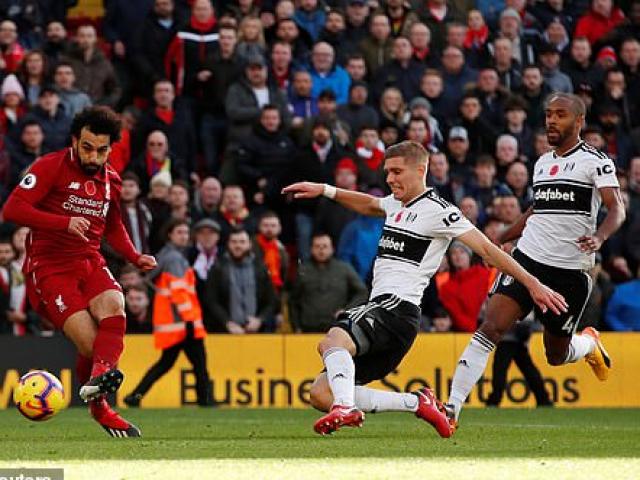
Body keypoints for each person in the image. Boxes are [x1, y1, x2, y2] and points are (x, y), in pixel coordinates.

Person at [282, 140, 566, 436]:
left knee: (332, 341)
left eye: (396, 171)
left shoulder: (440, 211)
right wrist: (325, 190)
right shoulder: (396, 204)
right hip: (391, 319)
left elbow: (486, 248)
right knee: (320, 393)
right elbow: (368, 203)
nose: (390, 179)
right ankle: (416, 403)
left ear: (421, 170)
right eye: (387, 172)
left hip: (395, 308)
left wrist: (532, 283)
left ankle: (345, 407)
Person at [434, 93, 626, 437]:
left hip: (569, 272)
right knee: (491, 326)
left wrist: (600, 237)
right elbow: (535, 212)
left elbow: (617, 208)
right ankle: (451, 408)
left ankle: (588, 345)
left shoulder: (596, 162)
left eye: (561, 115)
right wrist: (500, 238)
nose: (552, 120)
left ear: (578, 122)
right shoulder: (541, 163)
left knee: (555, 354)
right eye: (549, 114)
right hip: (527, 260)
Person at [3, 107, 157, 437]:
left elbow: (112, 224)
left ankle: (96, 387)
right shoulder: (49, 166)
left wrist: (133, 255)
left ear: (110, 148)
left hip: (89, 261)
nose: (93, 156)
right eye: (87, 147)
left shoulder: (110, 180)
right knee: (90, 345)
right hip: (49, 269)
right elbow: (12, 209)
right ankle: (99, 399)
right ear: (75, 140)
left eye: (102, 150)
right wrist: (64, 222)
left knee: (116, 305)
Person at [123, 219, 211, 407]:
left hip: (174, 322)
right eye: (180, 232)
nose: (184, 236)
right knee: (199, 365)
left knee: (165, 364)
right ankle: (205, 401)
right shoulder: (174, 258)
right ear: (170, 234)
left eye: (186, 232)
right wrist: (190, 319)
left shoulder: (166, 255)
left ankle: (135, 396)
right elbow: (179, 291)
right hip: (184, 322)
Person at [203, 228, 277, 333]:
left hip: (257, 331)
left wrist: (260, 320)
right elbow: (211, 300)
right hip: (224, 331)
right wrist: (227, 322)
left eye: (242, 242)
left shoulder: (260, 268)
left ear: (249, 244)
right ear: (228, 244)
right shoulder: (218, 268)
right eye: (234, 242)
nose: (238, 246)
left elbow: (272, 300)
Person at [289, 233, 368, 333]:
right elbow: (293, 301)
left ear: (332, 249)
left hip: (337, 328)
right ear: (311, 249)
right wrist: (296, 326)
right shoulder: (302, 271)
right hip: (308, 329)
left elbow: (362, 292)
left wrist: (347, 310)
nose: (321, 250)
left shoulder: (344, 269)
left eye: (325, 246)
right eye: (317, 246)